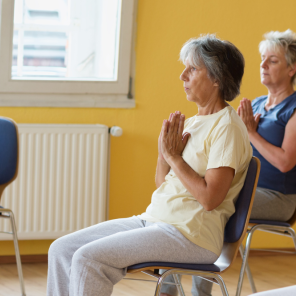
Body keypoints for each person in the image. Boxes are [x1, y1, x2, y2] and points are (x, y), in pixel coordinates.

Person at [46, 34, 252, 296]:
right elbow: (164, 185)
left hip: (191, 235)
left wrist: (175, 157)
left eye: (192, 69)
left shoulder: (228, 128)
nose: (182, 76)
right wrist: (162, 154)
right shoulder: (191, 123)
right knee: (62, 249)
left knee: (89, 259)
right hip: (155, 220)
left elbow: (210, 198)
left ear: (216, 78)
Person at [188, 29, 296, 296]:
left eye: (272, 60)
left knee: (211, 204)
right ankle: (170, 283)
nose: (262, 65)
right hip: (246, 189)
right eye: (262, 58)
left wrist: (252, 133)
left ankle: (199, 291)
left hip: (277, 197)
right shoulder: (256, 104)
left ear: (292, 68)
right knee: (190, 197)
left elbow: (284, 163)